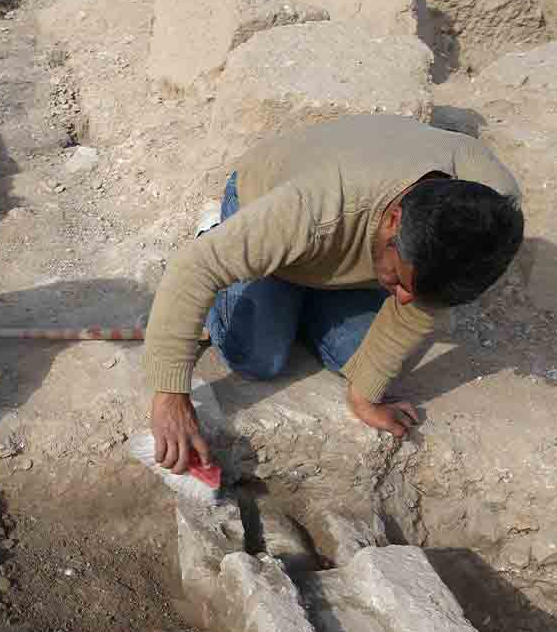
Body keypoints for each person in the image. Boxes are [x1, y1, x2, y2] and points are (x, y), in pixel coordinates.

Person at [144, 114, 524, 473]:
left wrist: (365, 397)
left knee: (360, 360)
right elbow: (193, 269)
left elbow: (423, 305)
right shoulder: (311, 208)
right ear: (394, 220)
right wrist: (170, 394)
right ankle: (221, 232)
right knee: (259, 357)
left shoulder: (493, 210)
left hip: (338, 239)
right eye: (403, 285)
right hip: (268, 199)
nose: (404, 301)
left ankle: (311, 287)